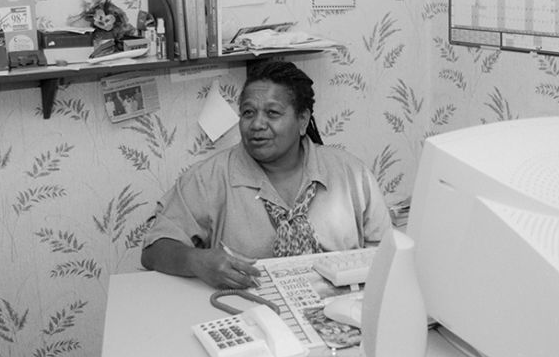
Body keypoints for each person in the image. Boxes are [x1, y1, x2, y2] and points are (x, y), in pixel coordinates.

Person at [140, 60, 391, 290]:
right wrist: (197, 261)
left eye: (272, 113)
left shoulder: (350, 174)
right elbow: (153, 250)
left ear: (303, 120)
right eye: (248, 113)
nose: (257, 124)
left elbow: (386, 252)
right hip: (248, 312)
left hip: (344, 315)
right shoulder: (208, 178)